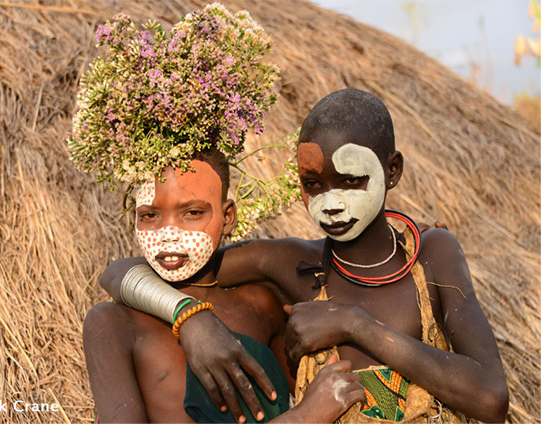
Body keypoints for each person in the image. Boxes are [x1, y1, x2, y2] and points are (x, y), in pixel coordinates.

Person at [100, 89, 509, 423]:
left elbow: (490, 399)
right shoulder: (290, 263)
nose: (330, 202)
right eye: (313, 183)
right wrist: (188, 318)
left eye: (351, 181)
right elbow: (126, 271)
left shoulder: (430, 253)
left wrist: (354, 325)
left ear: (393, 171)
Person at [83, 148, 366, 423]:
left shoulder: (261, 305)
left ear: (228, 217)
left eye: (192, 213)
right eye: (149, 215)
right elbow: (311, 411)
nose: (168, 235)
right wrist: (304, 418)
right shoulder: (114, 323)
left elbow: (317, 393)